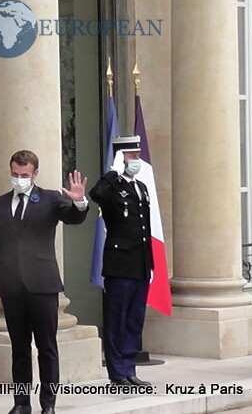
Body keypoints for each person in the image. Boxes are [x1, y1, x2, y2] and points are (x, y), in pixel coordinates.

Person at [0, 150, 89, 414]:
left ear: (35, 174)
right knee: (19, 348)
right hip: (12, 287)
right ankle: (21, 404)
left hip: (42, 285)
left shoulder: (50, 199)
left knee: (46, 347)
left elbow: (72, 218)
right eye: (15, 173)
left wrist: (79, 203)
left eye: (24, 174)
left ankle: (48, 405)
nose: (19, 178)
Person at [89, 135, 153, 386]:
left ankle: (129, 368)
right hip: (120, 263)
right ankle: (117, 372)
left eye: (138, 155)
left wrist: (151, 264)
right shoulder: (111, 186)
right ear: (120, 158)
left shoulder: (141, 187)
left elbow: (144, 227)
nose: (136, 160)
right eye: (131, 156)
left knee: (134, 319)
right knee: (117, 319)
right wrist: (112, 173)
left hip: (140, 262)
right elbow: (96, 195)